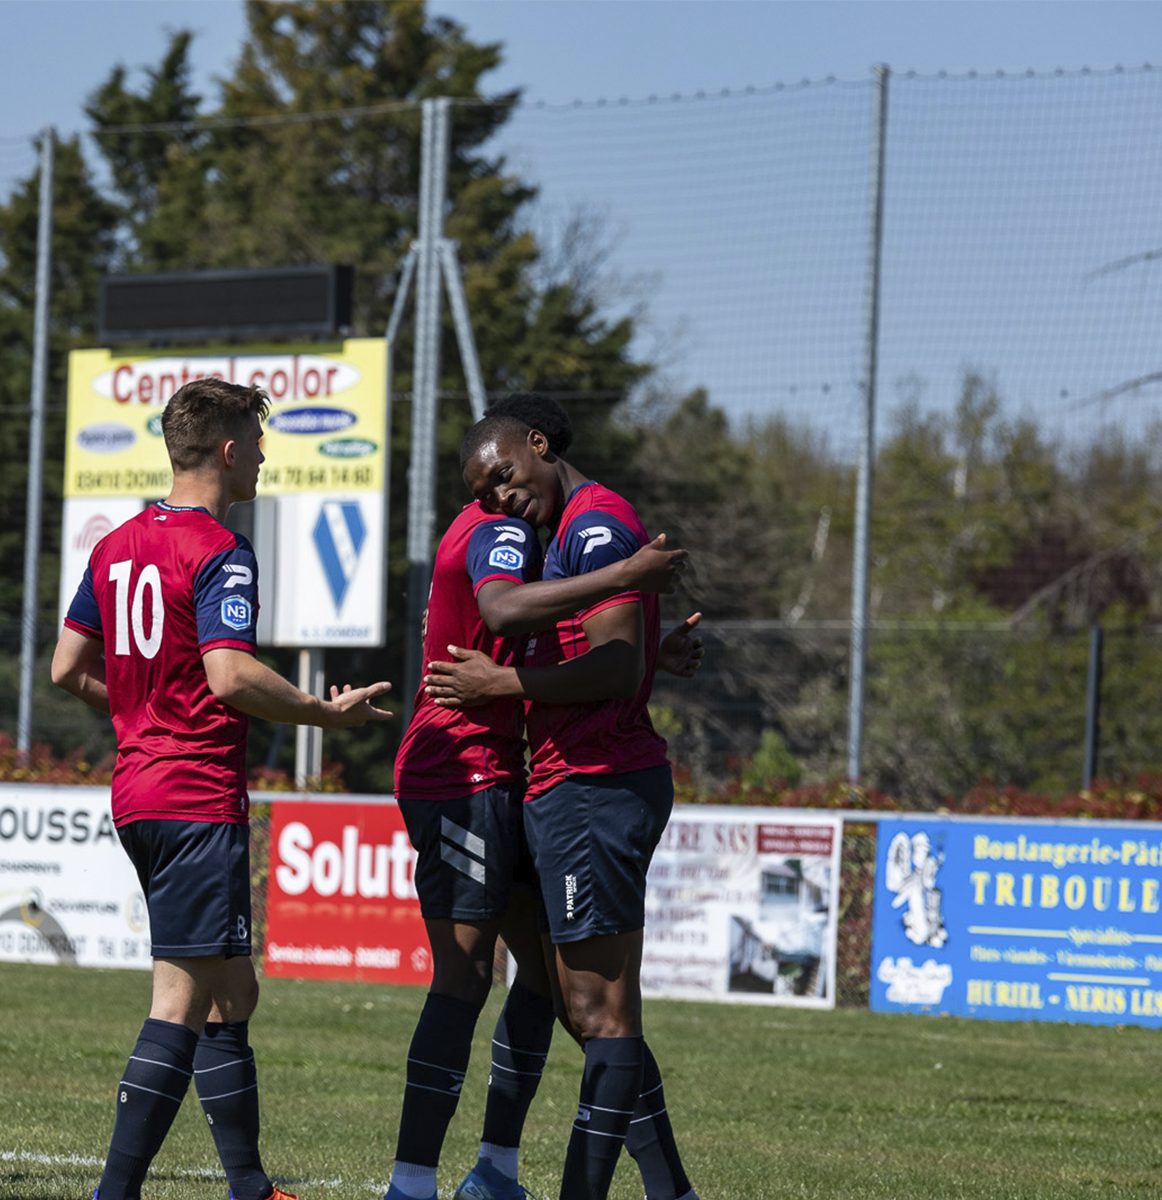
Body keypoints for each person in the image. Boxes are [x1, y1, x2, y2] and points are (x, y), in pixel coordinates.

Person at [51, 377, 392, 1200]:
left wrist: (142, 706)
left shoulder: (115, 543)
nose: (267, 458)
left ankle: (249, 1186)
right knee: (182, 998)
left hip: (140, 789)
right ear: (232, 450)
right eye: (259, 443)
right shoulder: (219, 549)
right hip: (192, 797)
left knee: (233, 992)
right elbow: (231, 675)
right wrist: (322, 713)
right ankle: (115, 1193)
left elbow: (67, 669)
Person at [385, 415, 701, 1200]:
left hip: (561, 779)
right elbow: (512, 619)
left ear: (538, 444)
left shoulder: (583, 524)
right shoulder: (517, 526)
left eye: (502, 474)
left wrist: (636, 641)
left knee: (576, 1003)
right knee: (510, 985)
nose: (498, 496)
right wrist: (632, 593)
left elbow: (587, 652)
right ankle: (423, 1182)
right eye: (482, 488)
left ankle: (491, 1171)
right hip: (471, 774)